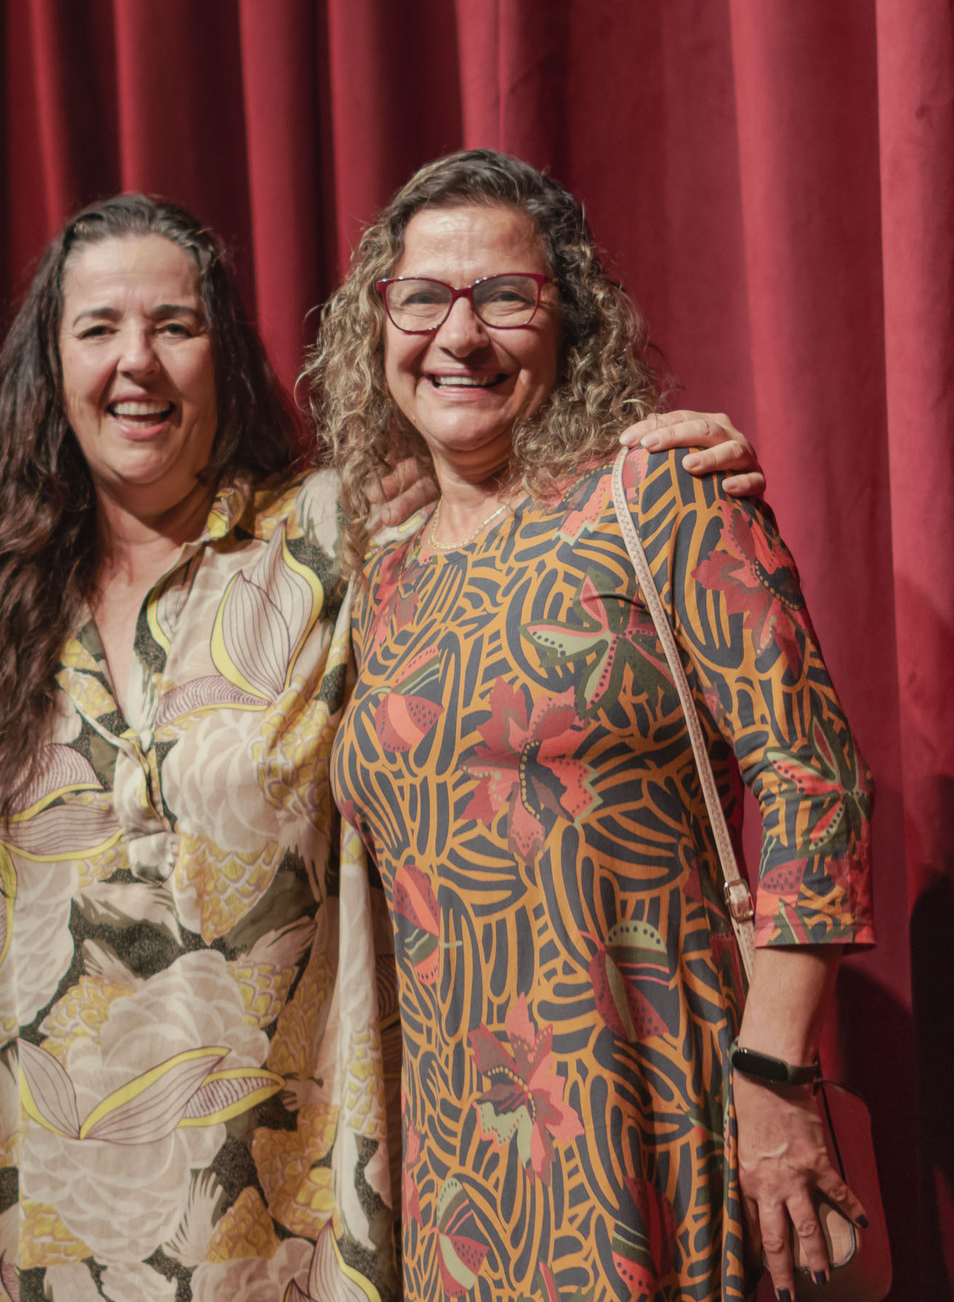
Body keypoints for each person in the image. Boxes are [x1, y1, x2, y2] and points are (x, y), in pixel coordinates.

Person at [0, 195, 769, 1302]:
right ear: (51, 368)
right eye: (97, 329)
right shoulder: (7, 601)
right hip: (59, 1208)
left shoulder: (340, 538)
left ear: (224, 355)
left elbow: (503, 481)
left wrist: (659, 457)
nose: (135, 362)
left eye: (174, 325)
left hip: (285, 1218)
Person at [312, 150, 874, 1302]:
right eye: (422, 298)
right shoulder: (383, 573)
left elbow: (817, 785)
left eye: (506, 297)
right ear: (379, 327)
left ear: (571, 321)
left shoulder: (656, 497)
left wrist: (776, 1076)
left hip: (658, 1114)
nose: (458, 335)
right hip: (454, 1162)